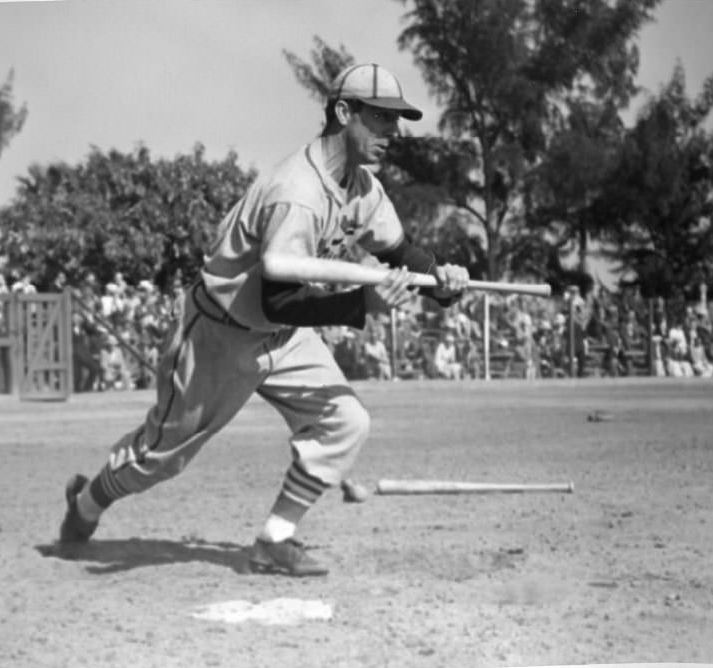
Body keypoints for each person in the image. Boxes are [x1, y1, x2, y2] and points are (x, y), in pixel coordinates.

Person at [57, 63, 469, 577]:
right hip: (219, 335)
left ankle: (275, 539)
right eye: (382, 118)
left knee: (346, 421)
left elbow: (400, 248)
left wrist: (441, 283)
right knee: (160, 458)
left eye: (397, 121)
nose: (394, 132)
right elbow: (278, 297)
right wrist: (361, 305)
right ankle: (87, 503)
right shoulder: (295, 191)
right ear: (345, 113)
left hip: (283, 334)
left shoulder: (363, 187)